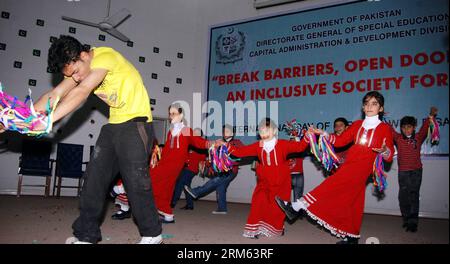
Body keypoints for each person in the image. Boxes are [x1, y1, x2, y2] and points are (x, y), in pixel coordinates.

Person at [13, 35, 163, 244]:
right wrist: (19, 119)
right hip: (114, 126)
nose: (77, 78)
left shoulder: (105, 57)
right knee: (93, 179)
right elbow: (55, 94)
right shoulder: (77, 69)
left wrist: (48, 122)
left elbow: (82, 92)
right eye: (71, 75)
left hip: (137, 124)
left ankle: (152, 234)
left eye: (76, 72)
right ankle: (86, 234)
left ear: (84, 55)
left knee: (136, 181)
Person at [276, 91, 394, 244]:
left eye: (374, 104)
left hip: (362, 167)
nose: (369, 106)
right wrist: (323, 133)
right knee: (353, 201)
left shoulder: (384, 128)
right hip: (351, 162)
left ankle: (296, 206)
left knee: (330, 185)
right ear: (363, 108)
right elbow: (340, 141)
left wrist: (385, 150)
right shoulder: (357, 125)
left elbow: (389, 156)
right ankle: (351, 237)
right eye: (366, 103)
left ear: (381, 109)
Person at [224, 118, 310, 238]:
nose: (264, 133)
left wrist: (308, 135)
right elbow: (240, 152)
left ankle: (277, 228)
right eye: (261, 131)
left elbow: (300, 147)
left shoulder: (283, 144)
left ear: (274, 131)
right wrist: (225, 145)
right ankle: (253, 229)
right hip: (264, 179)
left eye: (267, 130)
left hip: (281, 180)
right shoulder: (258, 146)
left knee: (277, 207)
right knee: (258, 201)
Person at [150, 103, 211, 223]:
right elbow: (167, 148)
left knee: (153, 178)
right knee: (165, 187)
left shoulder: (186, 130)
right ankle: (167, 214)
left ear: (181, 115)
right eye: (170, 113)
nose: (171, 116)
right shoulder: (170, 131)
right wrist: (160, 159)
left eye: (174, 113)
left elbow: (198, 142)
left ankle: (161, 210)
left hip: (175, 164)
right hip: (165, 162)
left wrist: (211, 143)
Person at [392, 107, 438, 232]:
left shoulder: (418, 137)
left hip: (416, 172)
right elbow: (388, 129)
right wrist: (379, 116)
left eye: (409, 127)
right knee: (403, 197)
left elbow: (425, 127)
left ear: (414, 127)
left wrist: (431, 115)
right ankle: (406, 219)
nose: (406, 129)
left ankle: (413, 222)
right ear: (400, 128)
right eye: (404, 127)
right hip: (403, 172)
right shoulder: (398, 138)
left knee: (413, 195)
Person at [184, 124, 244, 214]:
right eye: (224, 131)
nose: (225, 133)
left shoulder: (237, 142)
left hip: (231, 170)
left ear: (232, 133)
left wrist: (227, 149)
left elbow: (241, 154)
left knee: (215, 181)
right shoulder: (218, 142)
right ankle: (222, 208)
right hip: (221, 170)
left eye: (227, 131)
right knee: (220, 186)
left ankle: (196, 192)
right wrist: (207, 163)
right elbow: (213, 157)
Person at [171, 128, 207, 210]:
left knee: (179, 183)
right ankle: (190, 205)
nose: (195, 135)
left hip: (192, 169)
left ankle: (173, 202)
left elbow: (203, 158)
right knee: (186, 186)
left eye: (197, 133)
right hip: (186, 167)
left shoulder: (201, 144)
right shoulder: (191, 143)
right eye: (194, 133)